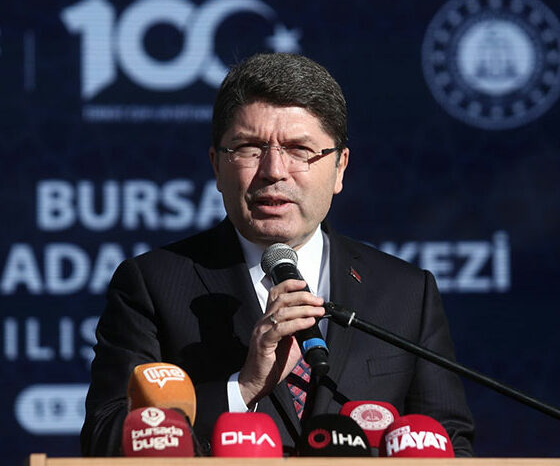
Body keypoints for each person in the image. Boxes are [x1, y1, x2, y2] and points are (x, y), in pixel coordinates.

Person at [81, 53, 474, 456]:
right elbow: (105, 439)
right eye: (249, 148)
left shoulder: (406, 292)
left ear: (340, 167)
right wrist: (243, 387)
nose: (273, 170)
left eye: (299, 149)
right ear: (216, 166)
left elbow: (451, 445)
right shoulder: (152, 284)